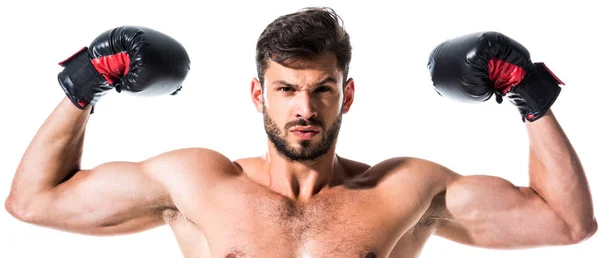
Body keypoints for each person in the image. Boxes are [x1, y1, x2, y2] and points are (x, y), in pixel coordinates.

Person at [5, 7, 597, 258]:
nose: (304, 108)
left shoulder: (403, 190)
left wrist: (531, 94)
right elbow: (32, 203)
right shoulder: (197, 181)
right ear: (259, 94)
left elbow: (567, 223)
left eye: (322, 88)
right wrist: (85, 82)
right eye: (286, 89)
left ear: (348, 94)